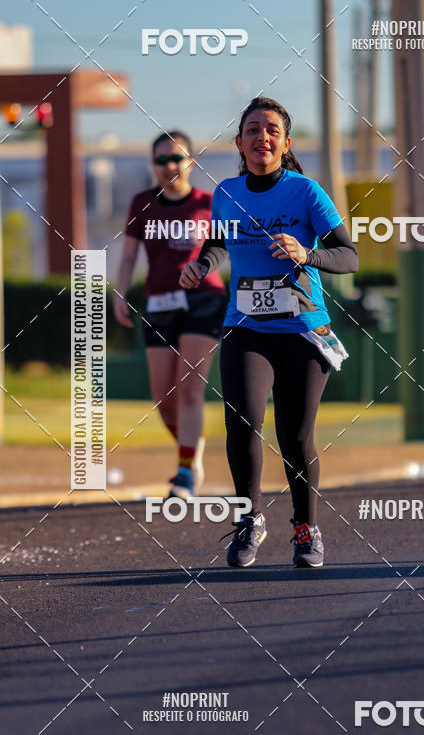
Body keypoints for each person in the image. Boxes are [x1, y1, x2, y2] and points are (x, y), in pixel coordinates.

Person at [180, 96, 358, 567]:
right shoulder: (226, 193)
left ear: (285, 142)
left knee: (295, 436)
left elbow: (348, 255)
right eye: (253, 129)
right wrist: (203, 266)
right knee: (241, 420)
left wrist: (307, 252)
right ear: (240, 142)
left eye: (272, 130)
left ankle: (305, 527)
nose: (263, 137)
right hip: (245, 324)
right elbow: (219, 246)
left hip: (302, 327)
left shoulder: (306, 192)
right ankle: (249, 519)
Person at [113, 130, 227, 497]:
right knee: (164, 401)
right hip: (159, 302)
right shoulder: (142, 203)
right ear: (153, 165)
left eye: (177, 158)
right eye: (162, 159)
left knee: (191, 390)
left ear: (191, 162)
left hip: (203, 300)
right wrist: (119, 292)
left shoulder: (210, 203)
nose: (170, 166)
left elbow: (229, 252)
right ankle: (191, 451)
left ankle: (184, 475)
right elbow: (129, 255)